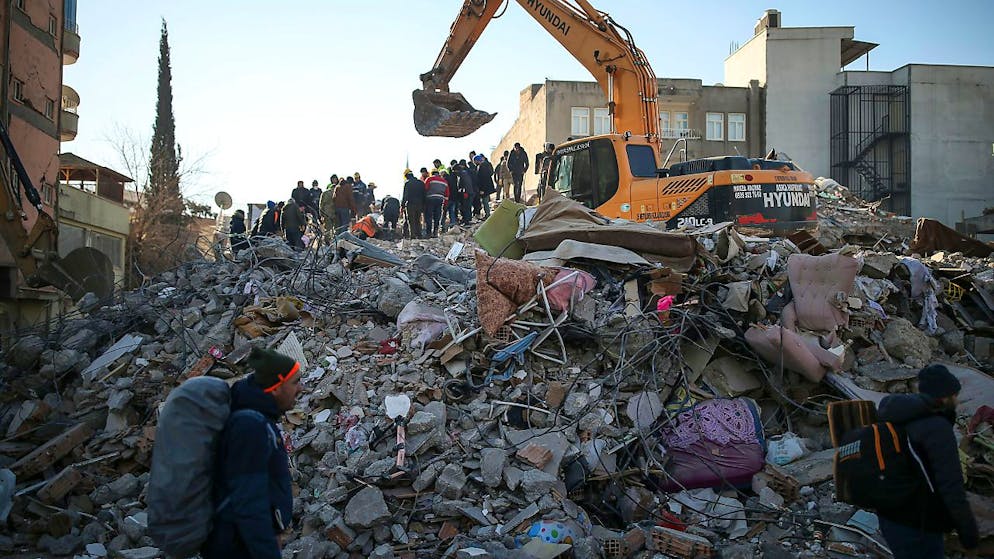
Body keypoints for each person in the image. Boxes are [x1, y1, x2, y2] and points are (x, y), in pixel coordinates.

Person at [201, 347, 303, 559]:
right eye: (294, 382)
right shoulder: (250, 426)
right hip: (236, 545)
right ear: (276, 388)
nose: (300, 389)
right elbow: (249, 501)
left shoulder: (256, 418)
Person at [875, 364, 978, 558]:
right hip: (918, 525)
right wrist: (969, 536)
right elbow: (951, 487)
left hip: (890, 519)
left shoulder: (894, 417)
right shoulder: (936, 428)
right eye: (955, 395)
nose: (957, 400)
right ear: (945, 397)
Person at [401, 169, 426, 239]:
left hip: (411, 204)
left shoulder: (407, 183)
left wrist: (402, 205)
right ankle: (419, 235)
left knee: (411, 221)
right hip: (419, 204)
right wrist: (424, 206)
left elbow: (405, 196)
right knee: (418, 220)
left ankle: (413, 236)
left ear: (406, 176)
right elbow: (424, 195)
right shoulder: (421, 183)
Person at [424, 169, 448, 238]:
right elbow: (447, 194)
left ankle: (428, 233)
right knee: (437, 216)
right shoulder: (444, 181)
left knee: (429, 216)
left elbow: (425, 188)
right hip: (440, 200)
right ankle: (435, 232)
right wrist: (445, 204)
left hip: (430, 200)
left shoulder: (430, 179)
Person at [474, 154, 495, 218]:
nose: (474, 162)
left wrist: (482, 189)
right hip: (487, 187)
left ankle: (487, 215)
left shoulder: (482, 167)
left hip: (484, 188)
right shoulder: (486, 165)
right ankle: (487, 214)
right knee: (485, 201)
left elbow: (483, 179)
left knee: (485, 202)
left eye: (475, 161)